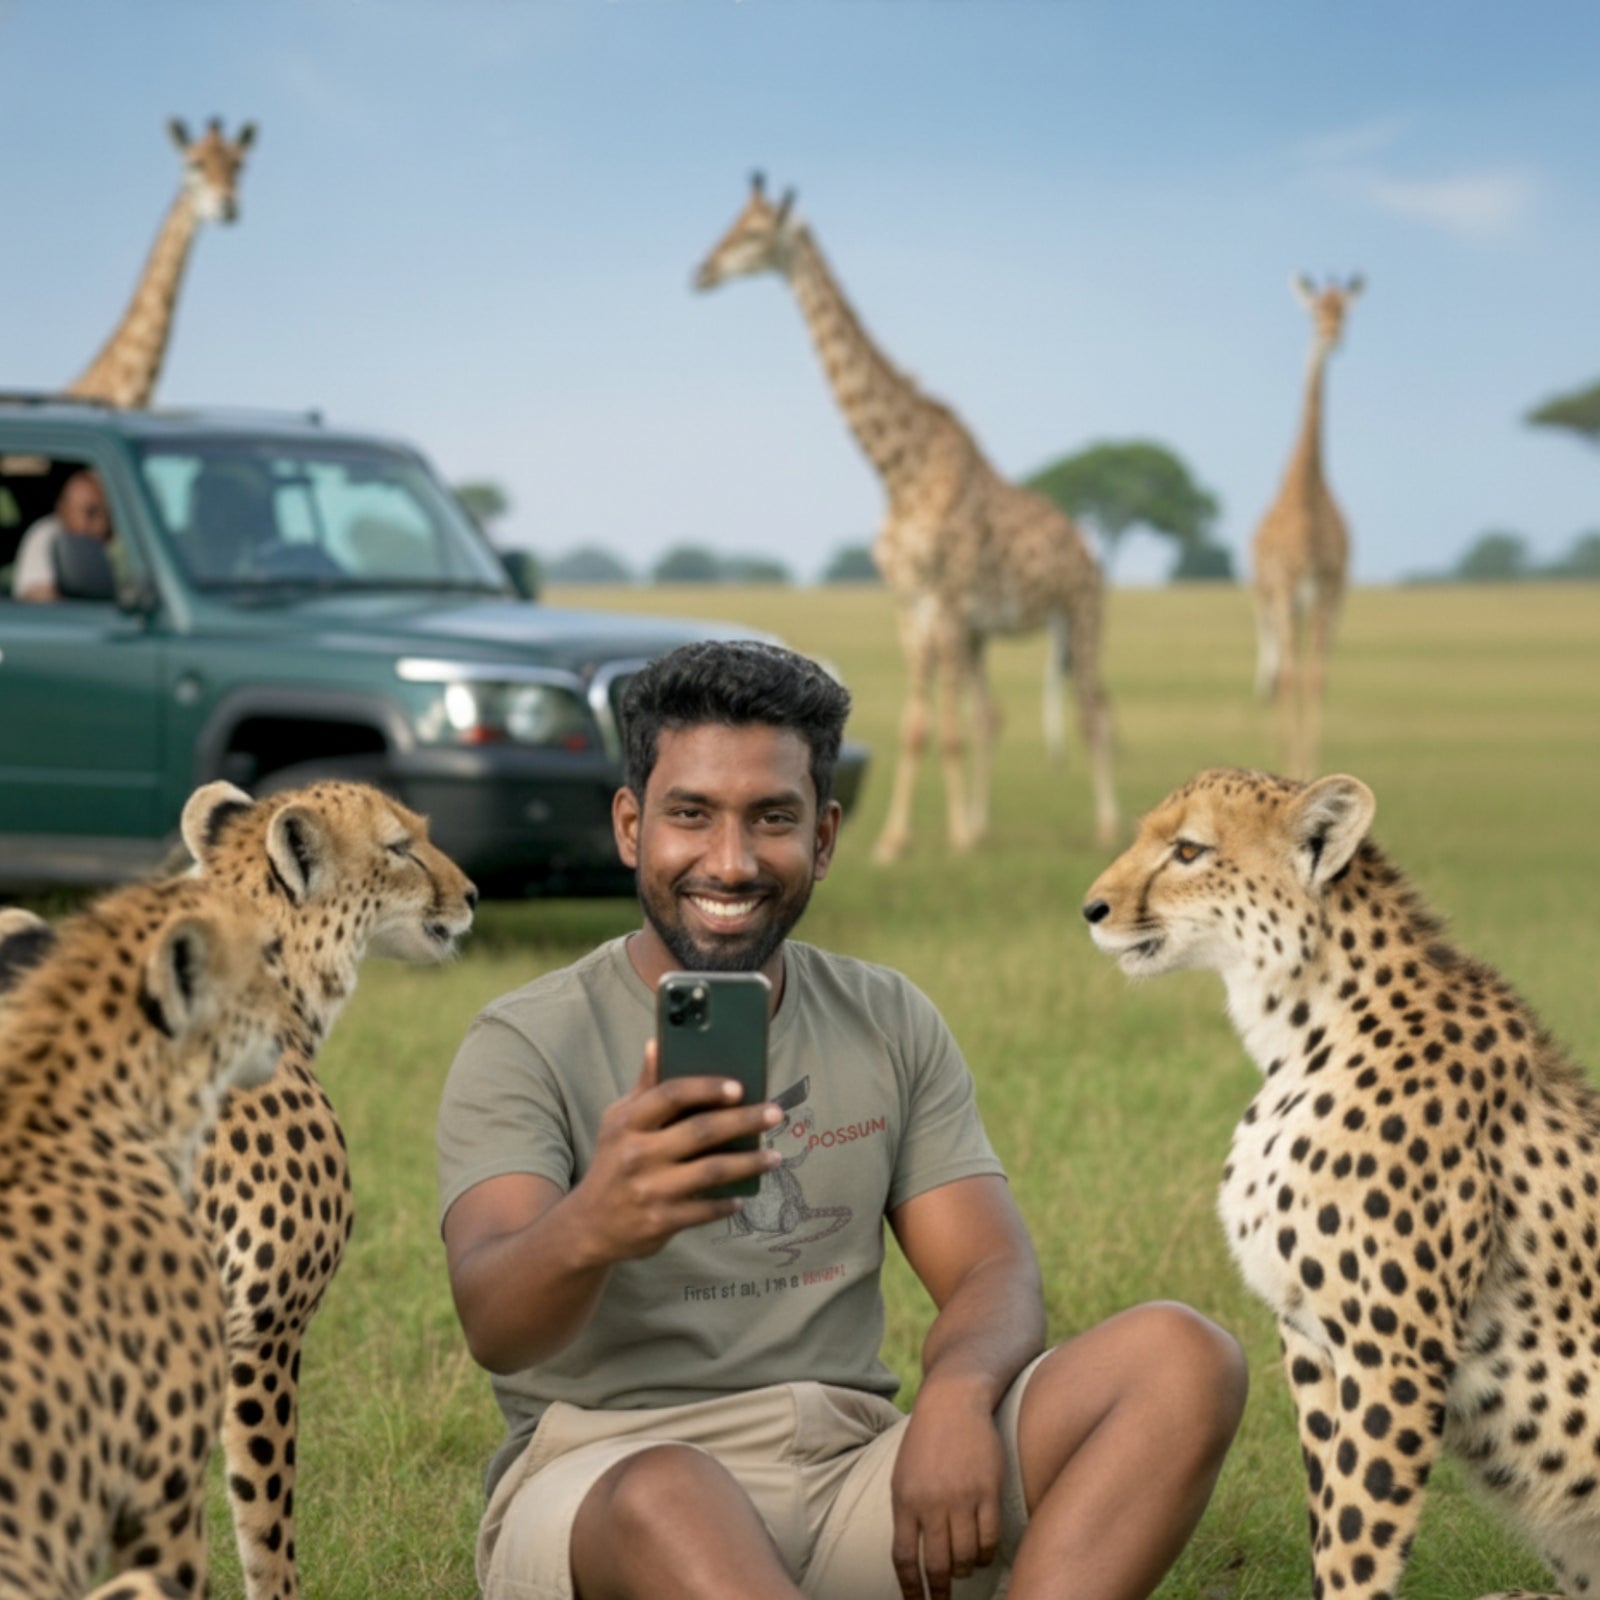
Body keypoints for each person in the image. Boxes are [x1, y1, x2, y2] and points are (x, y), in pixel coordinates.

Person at [437, 639, 1247, 1600]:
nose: (730, 863)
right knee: (674, 1490)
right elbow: (495, 1322)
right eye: (690, 815)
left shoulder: (887, 1016)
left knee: (1182, 1358)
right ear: (630, 826)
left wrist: (954, 1397)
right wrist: (598, 1218)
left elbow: (990, 1268)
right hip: (606, 1482)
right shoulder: (526, 1041)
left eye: (770, 819)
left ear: (821, 837)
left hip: (849, 1468)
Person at [11, 467, 114, 602]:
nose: (102, 524)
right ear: (64, 511)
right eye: (91, 513)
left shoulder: (118, 538)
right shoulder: (47, 536)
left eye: (107, 512)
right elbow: (40, 599)